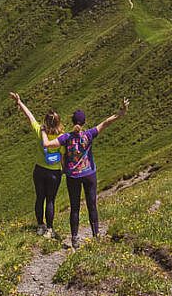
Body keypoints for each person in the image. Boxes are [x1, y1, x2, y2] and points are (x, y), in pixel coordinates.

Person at [42, 98, 130, 249]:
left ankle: (75, 239)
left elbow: (47, 144)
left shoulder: (66, 138)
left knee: (75, 208)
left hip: (73, 176)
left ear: (72, 121)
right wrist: (121, 112)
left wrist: (43, 131)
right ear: (84, 122)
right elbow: (106, 122)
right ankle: (96, 236)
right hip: (89, 174)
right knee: (92, 205)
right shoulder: (89, 135)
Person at [9, 92, 64, 238]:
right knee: (51, 200)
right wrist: (63, 169)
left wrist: (20, 102)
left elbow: (30, 117)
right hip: (54, 172)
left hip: (39, 170)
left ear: (46, 122)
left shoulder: (40, 131)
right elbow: (64, 155)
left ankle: (40, 225)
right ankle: (50, 229)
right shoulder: (61, 137)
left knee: (40, 198)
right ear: (58, 123)